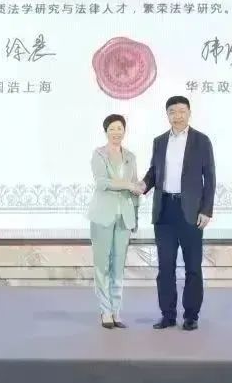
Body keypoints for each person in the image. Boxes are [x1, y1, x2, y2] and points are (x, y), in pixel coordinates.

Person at [140, 96, 215, 331]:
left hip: (191, 212)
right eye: (173, 112)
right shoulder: (159, 141)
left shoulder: (201, 140)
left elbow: (210, 178)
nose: (178, 116)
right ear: (167, 115)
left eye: (182, 111)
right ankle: (168, 314)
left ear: (189, 113)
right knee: (165, 267)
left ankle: (191, 315)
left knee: (193, 267)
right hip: (164, 211)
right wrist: (143, 185)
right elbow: (154, 171)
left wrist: (206, 210)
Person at [87, 114, 142, 329]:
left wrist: (135, 216)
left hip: (124, 217)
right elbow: (102, 183)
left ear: (124, 131)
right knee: (102, 264)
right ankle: (105, 311)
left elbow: (136, 187)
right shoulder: (99, 154)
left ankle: (116, 311)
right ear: (106, 131)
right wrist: (128, 185)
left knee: (118, 265)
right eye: (112, 128)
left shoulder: (130, 156)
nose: (116, 132)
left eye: (120, 128)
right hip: (102, 216)